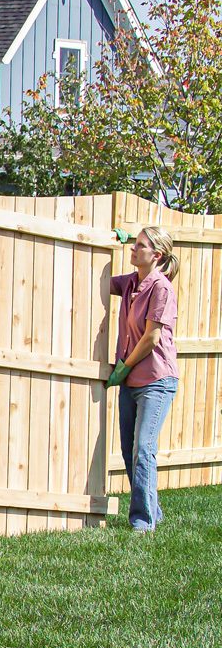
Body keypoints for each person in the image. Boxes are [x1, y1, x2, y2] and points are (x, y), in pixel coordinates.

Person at [108, 225, 181, 532]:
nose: (133, 250)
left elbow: (152, 337)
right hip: (131, 380)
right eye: (133, 244)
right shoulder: (130, 283)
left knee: (143, 448)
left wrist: (123, 366)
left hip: (155, 379)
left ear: (157, 255)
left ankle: (142, 522)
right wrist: (110, 238)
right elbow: (97, 278)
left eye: (139, 246)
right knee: (128, 450)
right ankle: (152, 510)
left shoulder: (161, 288)